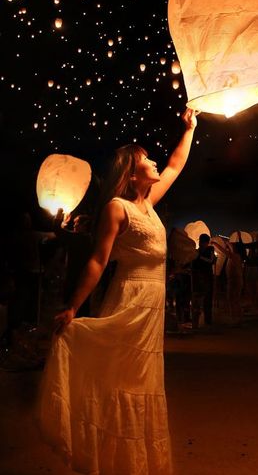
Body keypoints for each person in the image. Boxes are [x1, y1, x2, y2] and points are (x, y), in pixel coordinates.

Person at [37, 108, 197, 475]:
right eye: (146, 160)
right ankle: (109, 462)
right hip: (130, 301)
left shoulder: (149, 205)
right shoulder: (117, 208)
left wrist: (189, 129)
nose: (154, 162)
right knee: (120, 382)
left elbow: (175, 165)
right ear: (131, 173)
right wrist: (73, 307)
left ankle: (132, 464)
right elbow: (97, 261)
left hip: (151, 308)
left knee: (142, 384)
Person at [191, 233, 215, 328]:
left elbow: (211, 261)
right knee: (196, 300)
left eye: (202, 242)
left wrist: (199, 257)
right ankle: (196, 323)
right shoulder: (196, 252)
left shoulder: (210, 250)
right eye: (200, 241)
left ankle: (207, 321)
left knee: (207, 300)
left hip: (207, 278)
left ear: (206, 243)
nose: (201, 243)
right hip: (197, 278)